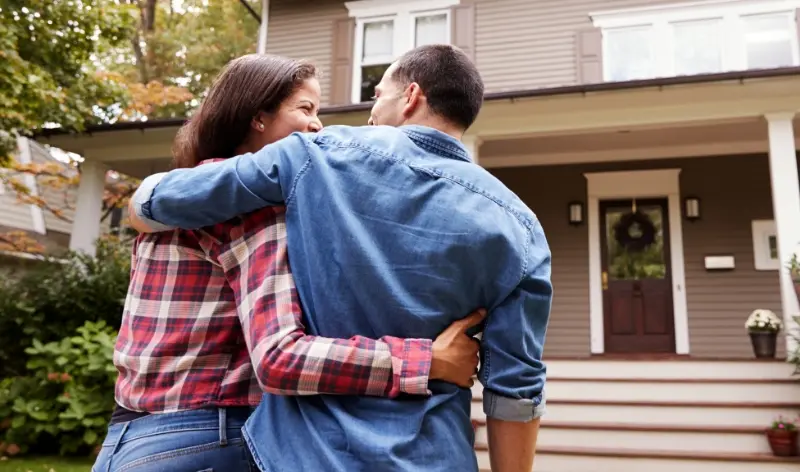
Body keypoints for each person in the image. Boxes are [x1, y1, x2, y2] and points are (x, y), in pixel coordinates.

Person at [129, 45, 552, 472]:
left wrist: (142, 202)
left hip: (306, 456)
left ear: (410, 96)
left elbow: (160, 200)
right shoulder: (521, 226)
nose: (371, 110)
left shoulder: (314, 154)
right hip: (435, 458)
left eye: (377, 95)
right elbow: (516, 389)